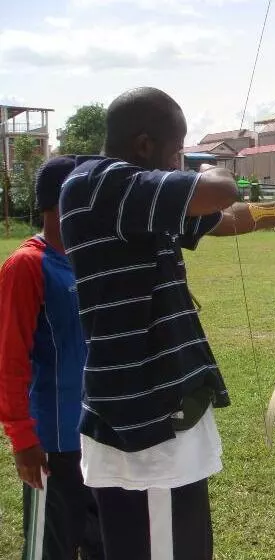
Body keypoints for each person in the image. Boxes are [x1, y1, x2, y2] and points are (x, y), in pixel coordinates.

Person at [59, 87, 275, 560]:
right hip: (144, 424)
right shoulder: (101, 184)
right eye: (177, 149)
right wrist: (206, 167)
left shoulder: (135, 199)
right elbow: (219, 190)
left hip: (162, 413)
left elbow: (218, 218)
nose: (180, 159)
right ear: (144, 145)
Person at [0, 156, 104, 559]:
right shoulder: (27, 265)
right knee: (51, 548)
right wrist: (22, 439)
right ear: (65, 200)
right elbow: (9, 360)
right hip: (52, 444)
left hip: (97, 435)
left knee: (102, 541)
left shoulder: (87, 259)